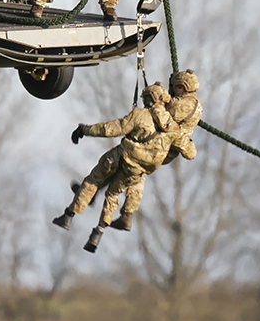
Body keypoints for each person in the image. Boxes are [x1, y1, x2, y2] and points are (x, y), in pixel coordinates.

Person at [52, 82, 178, 252]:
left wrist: (84, 130)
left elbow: (110, 129)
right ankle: (97, 234)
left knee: (92, 182)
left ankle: (68, 216)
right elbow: (181, 154)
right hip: (135, 171)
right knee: (112, 195)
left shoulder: (140, 115)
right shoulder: (172, 128)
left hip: (119, 157)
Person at [112, 69, 204, 229]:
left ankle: (121, 211)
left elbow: (164, 112)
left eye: (177, 87)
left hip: (162, 146)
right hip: (164, 146)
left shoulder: (185, 104)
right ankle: (123, 212)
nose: (175, 90)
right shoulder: (190, 102)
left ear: (185, 87)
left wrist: (158, 93)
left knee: (130, 165)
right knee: (131, 169)